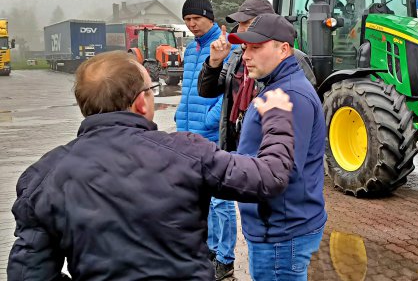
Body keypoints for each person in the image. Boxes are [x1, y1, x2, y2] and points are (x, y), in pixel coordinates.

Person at [7, 51, 296, 281]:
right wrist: (278, 117)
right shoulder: (188, 152)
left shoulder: (43, 177)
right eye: (151, 89)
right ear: (141, 104)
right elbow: (270, 177)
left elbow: (26, 274)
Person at [205, 13, 327, 280]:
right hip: (275, 225)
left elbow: (278, 172)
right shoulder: (276, 86)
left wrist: (215, 169)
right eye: (246, 47)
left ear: (283, 49)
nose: (246, 55)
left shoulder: (289, 95)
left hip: (280, 233)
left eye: (256, 47)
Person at [197, 0, 315, 151]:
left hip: (268, 153)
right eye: (239, 24)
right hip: (238, 149)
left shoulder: (293, 58)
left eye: (246, 23)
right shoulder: (236, 57)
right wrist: (214, 63)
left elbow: (303, 118)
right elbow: (207, 91)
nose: (239, 30)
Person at [175, 0, 238, 280]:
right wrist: (181, 116)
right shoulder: (190, 50)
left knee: (221, 200)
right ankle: (209, 251)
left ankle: (225, 259)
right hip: (187, 134)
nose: (192, 25)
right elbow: (189, 89)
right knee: (200, 196)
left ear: (209, 18)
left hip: (211, 134)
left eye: (196, 19)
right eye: (187, 20)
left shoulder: (227, 48)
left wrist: (210, 120)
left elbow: (227, 93)